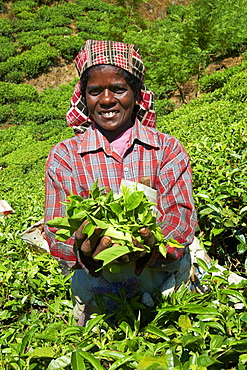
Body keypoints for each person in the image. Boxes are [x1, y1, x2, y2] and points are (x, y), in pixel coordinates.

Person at [44, 39, 198, 325]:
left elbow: (181, 217)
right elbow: (55, 229)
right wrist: (81, 252)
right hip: (97, 297)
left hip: (164, 288)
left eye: (118, 89)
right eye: (94, 91)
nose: (105, 100)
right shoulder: (65, 156)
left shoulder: (167, 150)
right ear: (84, 97)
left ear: (137, 94)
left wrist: (154, 244)